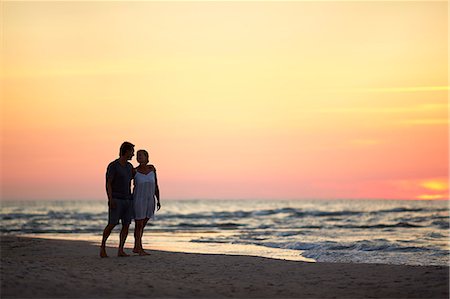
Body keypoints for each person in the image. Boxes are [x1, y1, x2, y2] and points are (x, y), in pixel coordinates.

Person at [100, 141, 135, 258]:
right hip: (116, 199)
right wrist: (110, 199)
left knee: (126, 225)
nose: (133, 155)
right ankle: (103, 247)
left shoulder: (130, 167)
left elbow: (138, 175)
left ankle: (121, 249)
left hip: (128, 200)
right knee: (112, 223)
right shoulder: (113, 166)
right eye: (132, 152)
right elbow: (108, 183)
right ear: (126, 151)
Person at [133, 149, 161, 255]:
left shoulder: (152, 169)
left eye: (141, 155)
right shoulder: (134, 171)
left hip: (150, 199)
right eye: (137, 155)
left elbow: (156, 185)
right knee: (138, 224)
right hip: (139, 199)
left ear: (146, 157)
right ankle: (139, 248)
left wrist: (158, 199)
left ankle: (137, 246)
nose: (139, 157)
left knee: (143, 224)